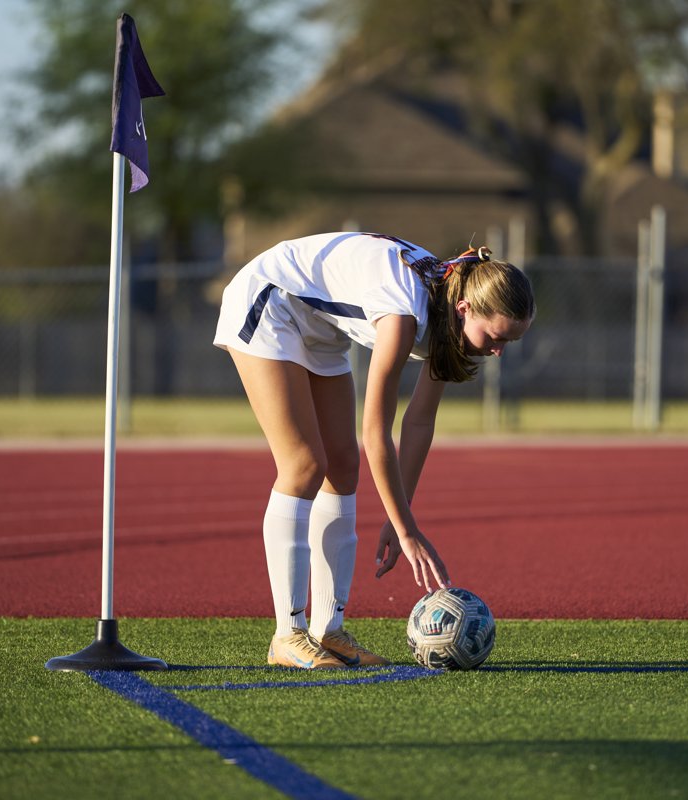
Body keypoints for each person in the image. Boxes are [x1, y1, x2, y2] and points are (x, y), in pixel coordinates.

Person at [213, 231, 535, 669]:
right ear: (464, 309)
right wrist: (407, 531)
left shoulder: (451, 316)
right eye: (495, 337)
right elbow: (376, 430)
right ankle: (287, 634)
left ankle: (330, 631)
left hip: (319, 324)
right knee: (305, 464)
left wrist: (397, 512)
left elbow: (419, 422)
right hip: (271, 300)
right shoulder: (404, 316)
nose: (497, 351)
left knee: (342, 468)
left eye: (508, 343)